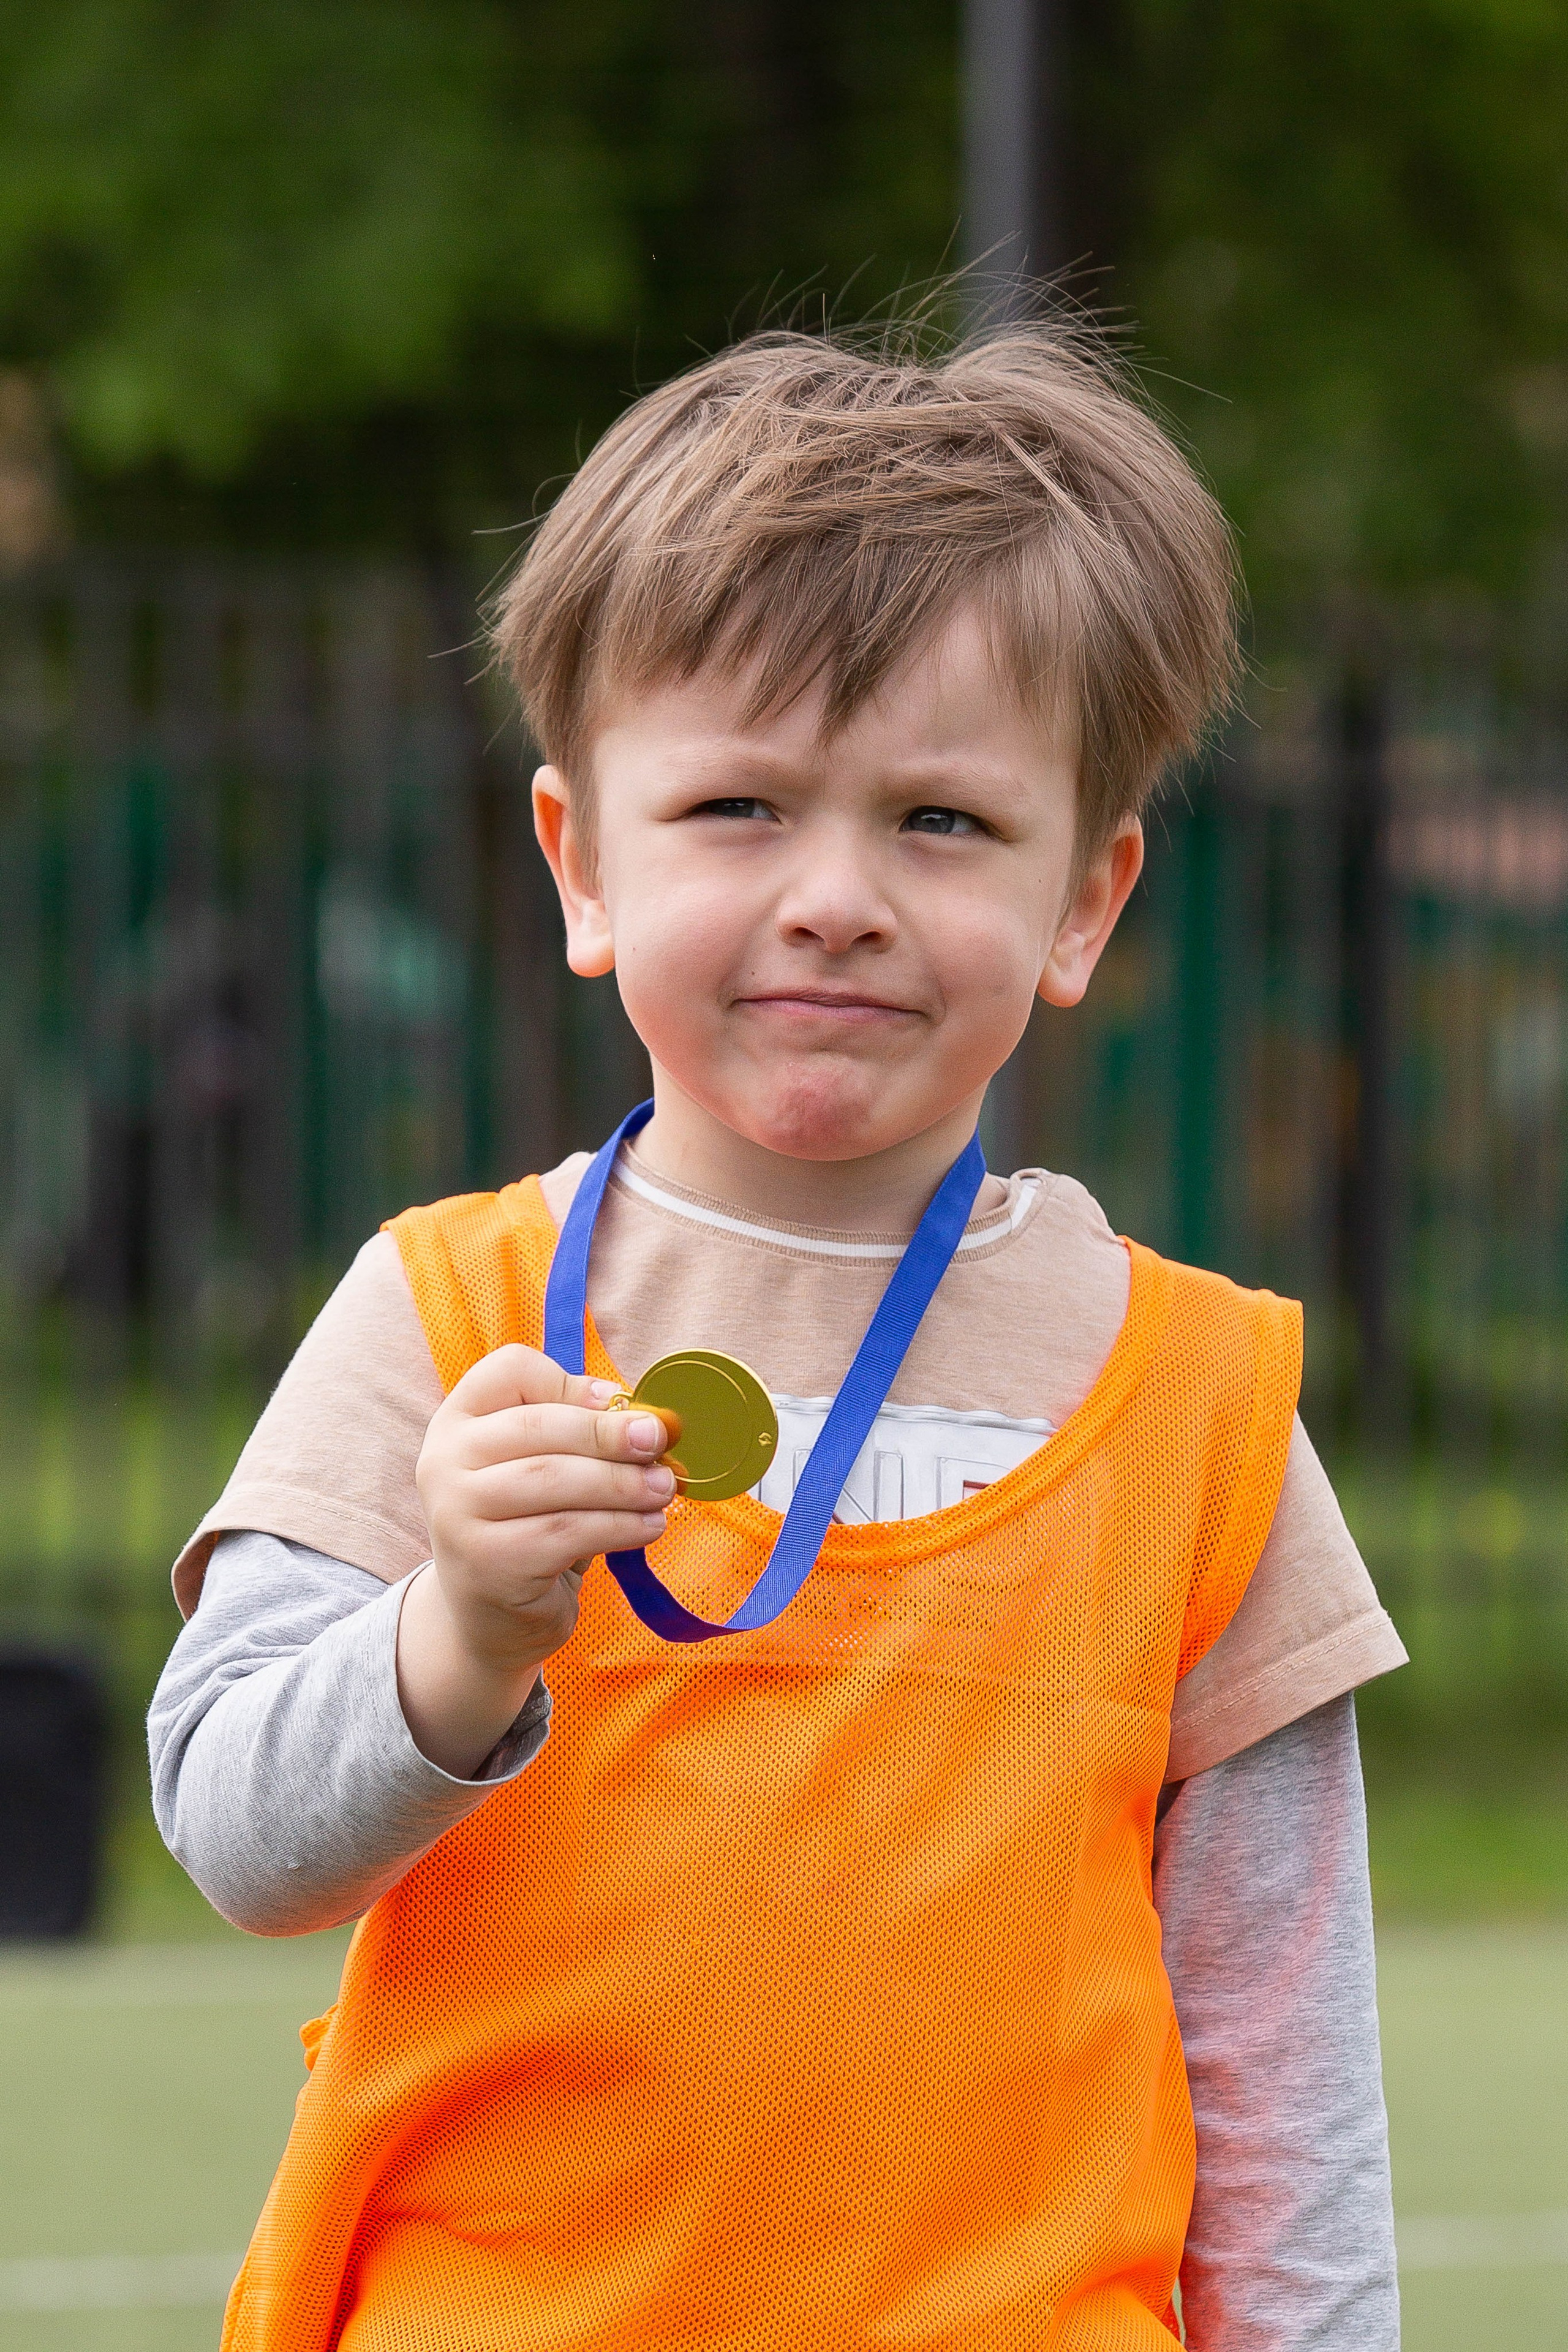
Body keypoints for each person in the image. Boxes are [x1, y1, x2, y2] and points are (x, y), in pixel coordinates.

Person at [149, 325, 1408, 2351]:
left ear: (1086, 900)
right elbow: (235, 1839)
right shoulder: (443, 1310)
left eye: (941, 823)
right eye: (738, 804)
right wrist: (456, 1635)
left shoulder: (1202, 1407)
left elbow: (1284, 2074)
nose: (835, 895)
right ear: (582, 864)